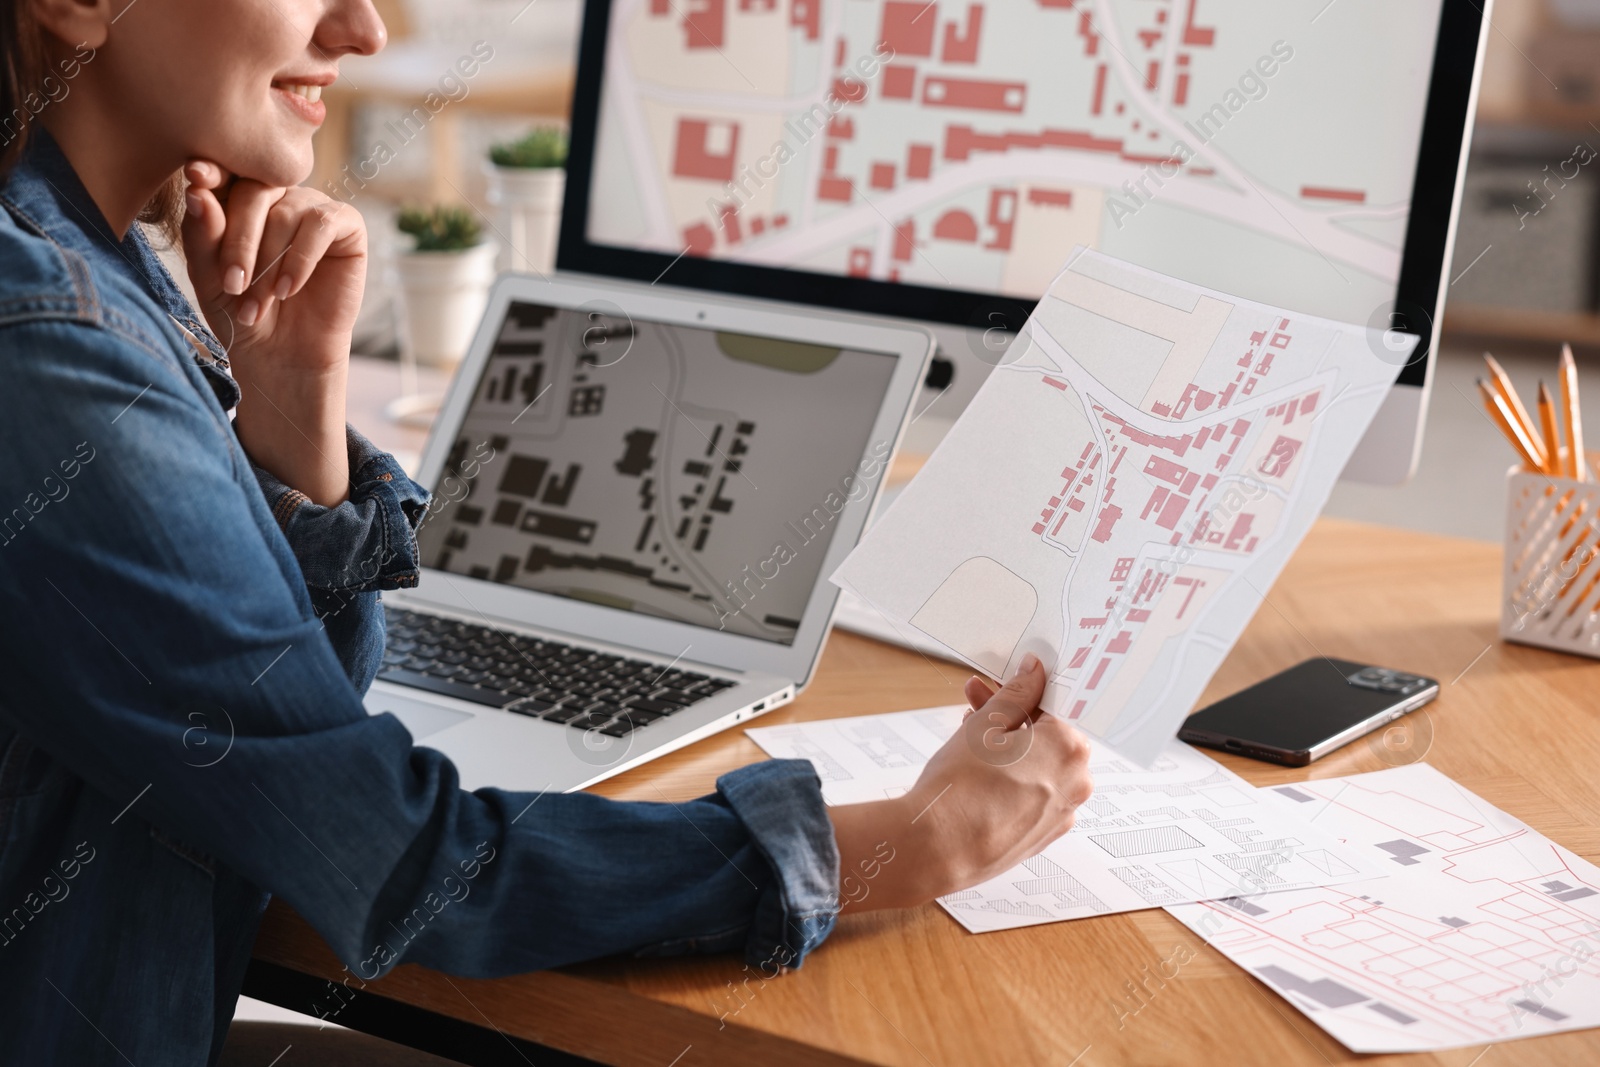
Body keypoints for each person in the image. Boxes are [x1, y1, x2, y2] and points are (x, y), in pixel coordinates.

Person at [0, 0, 1095, 1063]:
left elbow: (283, 722)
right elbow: (405, 865)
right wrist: (901, 845)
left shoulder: (95, 253)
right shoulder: (52, 341)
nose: (363, 30)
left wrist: (290, 414)